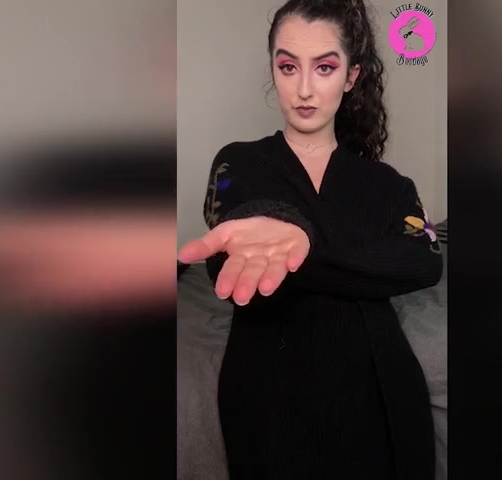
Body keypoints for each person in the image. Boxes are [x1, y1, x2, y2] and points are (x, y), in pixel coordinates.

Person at [177, 0, 443, 478]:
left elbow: (423, 260)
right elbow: (229, 255)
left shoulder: (389, 184)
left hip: (381, 388)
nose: (303, 89)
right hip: (269, 391)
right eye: (287, 67)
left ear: (350, 77)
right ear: (273, 70)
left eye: (324, 67)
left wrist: (307, 249)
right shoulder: (239, 162)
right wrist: (354, 259)